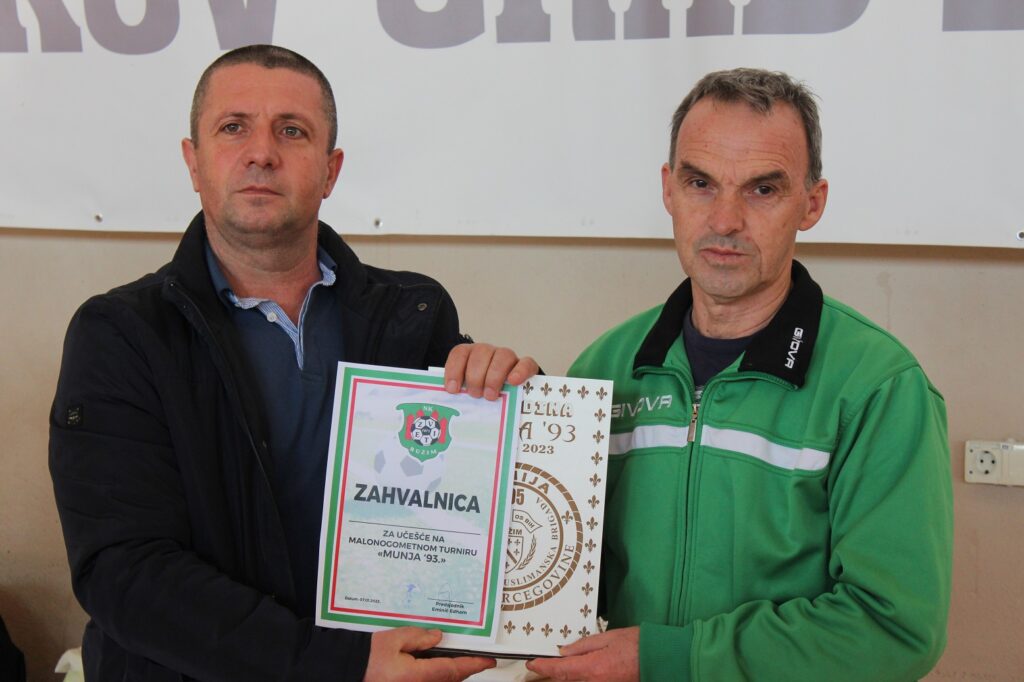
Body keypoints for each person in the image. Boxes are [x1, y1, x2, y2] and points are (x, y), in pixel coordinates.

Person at [49, 44, 535, 681]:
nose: (262, 153)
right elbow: (126, 574)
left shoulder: (412, 316)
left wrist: (521, 398)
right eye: (233, 127)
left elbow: (476, 501)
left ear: (330, 171)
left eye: (291, 131)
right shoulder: (121, 334)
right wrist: (332, 666)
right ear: (193, 162)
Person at [529, 68, 953, 682]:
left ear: (812, 204)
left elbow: (893, 628)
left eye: (762, 189)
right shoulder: (605, 369)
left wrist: (673, 658)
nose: (725, 220)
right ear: (669, 190)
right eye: (700, 183)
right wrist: (495, 417)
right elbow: (555, 578)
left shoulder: (879, 387)